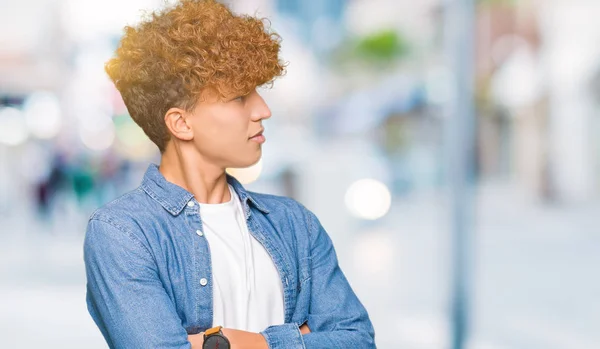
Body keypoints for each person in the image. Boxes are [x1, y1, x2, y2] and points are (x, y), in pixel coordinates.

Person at [83, 1, 376, 348]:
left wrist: (241, 342)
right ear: (181, 123)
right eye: (239, 97)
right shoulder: (123, 234)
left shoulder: (296, 224)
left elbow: (357, 340)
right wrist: (302, 337)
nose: (263, 110)